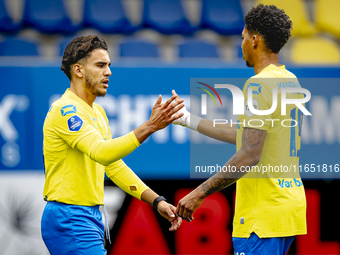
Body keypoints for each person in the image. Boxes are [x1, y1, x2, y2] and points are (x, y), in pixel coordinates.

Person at [173, 4, 306, 255]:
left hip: (261, 216)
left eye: (243, 37)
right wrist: (187, 119)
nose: (240, 44)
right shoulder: (290, 81)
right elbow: (250, 136)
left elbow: (249, 153)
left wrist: (199, 193)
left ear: (254, 40)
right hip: (287, 209)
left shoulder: (258, 85)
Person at [41, 35, 183, 255]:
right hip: (70, 217)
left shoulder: (98, 112)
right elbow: (102, 153)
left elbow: (114, 166)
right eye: (100, 65)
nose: (108, 72)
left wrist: (157, 201)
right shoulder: (65, 110)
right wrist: (150, 126)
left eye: (108, 65)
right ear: (78, 70)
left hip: (89, 217)